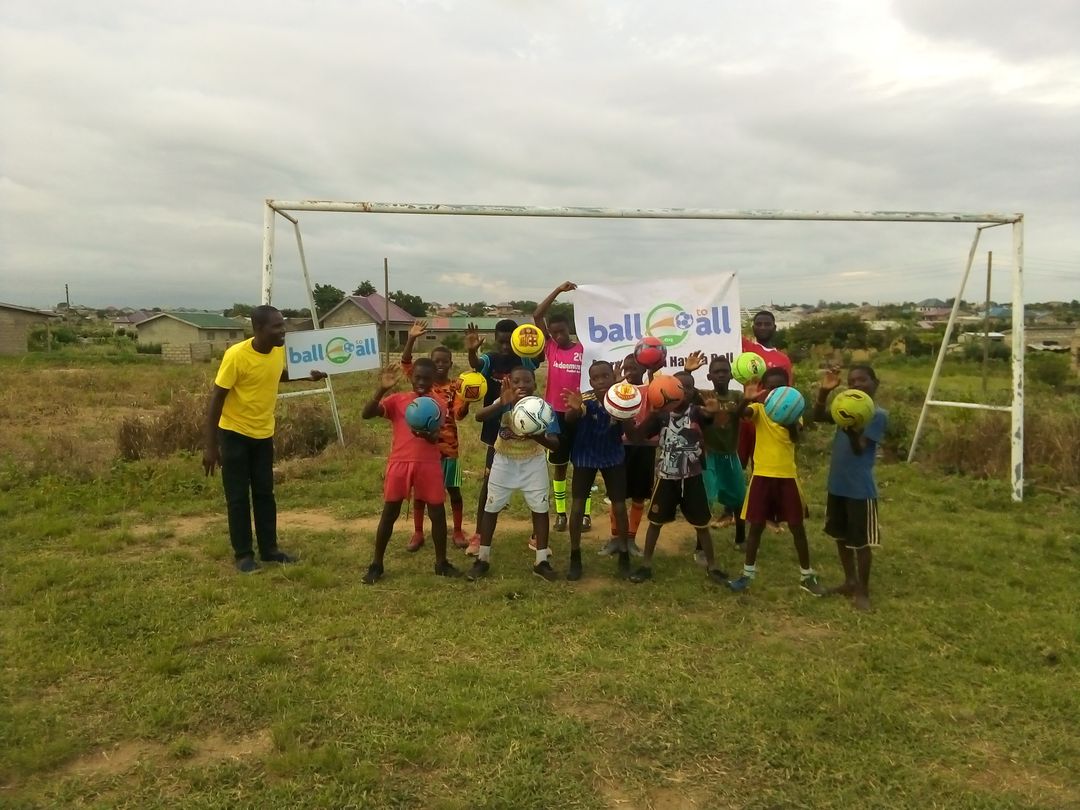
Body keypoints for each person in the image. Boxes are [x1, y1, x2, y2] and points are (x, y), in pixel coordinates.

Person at [202, 305, 327, 574]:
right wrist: (211, 446)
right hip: (234, 434)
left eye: (283, 325)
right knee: (238, 497)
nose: (283, 331)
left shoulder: (277, 350)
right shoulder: (236, 356)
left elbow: (276, 373)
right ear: (258, 329)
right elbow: (216, 398)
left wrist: (307, 376)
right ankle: (244, 555)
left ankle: (269, 550)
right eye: (277, 326)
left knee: (265, 494)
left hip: (263, 434)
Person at [359, 360, 463, 584]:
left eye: (427, 378)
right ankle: (376, 564)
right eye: (418, 377)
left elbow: (436, 437)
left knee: (437, 513)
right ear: (411, 377)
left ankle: (441, 563)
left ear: (434, 379)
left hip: (428, 463)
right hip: (400, 463)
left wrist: (426, 435)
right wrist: (381, 389)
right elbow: (366, 414)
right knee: (390, 512)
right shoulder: (397, 400)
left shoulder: (438, 404)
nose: (422, 382)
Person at [727, 367, 827, 595]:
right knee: (756, 526)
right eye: (770, 387)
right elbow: (739, 415)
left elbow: (796, 436)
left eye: (780, 387)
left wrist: (786, 417)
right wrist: (747, 399)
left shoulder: (794, 411)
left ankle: (806, 575)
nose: (774, 391)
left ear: (788, 388)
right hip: (762, 476)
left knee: (796, 526)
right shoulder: (758, 409)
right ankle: (747, 574)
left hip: (787, 476)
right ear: (763, 389)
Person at [629, 368, 730, 585]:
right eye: (680, 387)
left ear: (692, 392)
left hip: (692, 477)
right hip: (666, 477)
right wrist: (644, 414)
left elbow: (721, 425)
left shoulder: (698, 413)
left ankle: (713, 566)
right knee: (655, 522)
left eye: (688, 388)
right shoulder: (661, 415)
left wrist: (717, 412)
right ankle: (646, 565)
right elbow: (637, 436)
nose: (683, 392)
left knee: (701, 525)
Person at [466, 368, 562, 582]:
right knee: (491, 507)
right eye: (516, 381)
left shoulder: (543, 408)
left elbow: (555, 445)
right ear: (509, 383)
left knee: (540, 509)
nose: (522, 385)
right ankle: (482, 559)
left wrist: (536, 435)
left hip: (533, 462)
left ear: (535, 385)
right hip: (504, 461)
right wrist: (500, 402)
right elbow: (479, 417)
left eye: (527, 381)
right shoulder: (505, 402)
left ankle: (541, 561)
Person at [464, 319, 541, 555]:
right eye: (501, 342)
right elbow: (476, 364)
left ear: (517, 339)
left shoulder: (525, 359)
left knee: (534, 487)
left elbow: (540, 354)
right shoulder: (491, 359)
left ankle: (538, 534)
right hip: (495, 427)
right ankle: (479, 535)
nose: (506, 346)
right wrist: (472, 351)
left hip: (527, 428)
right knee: (489, 483)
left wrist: (536, 331)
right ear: (496, 340)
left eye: (510, 342)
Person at [813, 365, 887, 612]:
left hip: (860, 490)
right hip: (838, 485)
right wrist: (824, 392)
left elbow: (860, 448)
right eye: (852, 381)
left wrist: (853, 431)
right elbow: (818, 416)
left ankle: (862, 591)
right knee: (841, 536)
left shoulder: (876, 414)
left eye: (862, 380)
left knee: (861, 542)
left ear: (875, 383)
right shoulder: (844, 410)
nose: (856, 384)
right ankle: (849, 581)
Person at [400, 319, 470, 551]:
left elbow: (459, 414)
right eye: (436, 361)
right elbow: (406, 363)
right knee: (421, 494)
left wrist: (468, 401)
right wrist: (411, 338)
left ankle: (457, 531)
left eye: (444, 361)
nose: (440, 365)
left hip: (448, 448)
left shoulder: (456, 387)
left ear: (451, 364)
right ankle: (418, 532)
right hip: (423, 449)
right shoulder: (423, 383)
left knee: (454, 490)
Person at [563, 360, 630, 580]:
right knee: (577, 506)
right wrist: (574, 410)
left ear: (613, 377)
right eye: (595, 378)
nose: (600, 381)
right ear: (590, 381)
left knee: (619, 507)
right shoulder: (585, 400)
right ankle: (575, 556)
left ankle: (624, 554)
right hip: (585, 456)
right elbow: (570, 417)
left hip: (612, 455)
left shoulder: (620, 399)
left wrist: (623, 405)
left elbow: (630, 428)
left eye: (605, 376)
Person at [533, 281, 586, 534]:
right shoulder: (551, 347)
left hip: (580, 413)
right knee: (560, 466)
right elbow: (537, 315)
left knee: (583, 465)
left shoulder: (583, 349)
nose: (558, 336)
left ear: (569, 329)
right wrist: (557, 291)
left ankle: (584, 513)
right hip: (555, 415)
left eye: (562, 331)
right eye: (554, 333)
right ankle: (561, 513)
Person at [600, 354, 652, 557]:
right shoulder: (618, 390)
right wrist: (614, 383)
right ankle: (616, 537)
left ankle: (631, 538)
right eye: (626, 368)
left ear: (644, 370)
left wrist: (653, 374)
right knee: (617, 495)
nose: (629, 372)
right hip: (620, 447)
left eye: (634, 368)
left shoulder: (650, 389)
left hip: (644, 447)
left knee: (639, 494)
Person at [700, 354, 747, 554]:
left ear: (731, 375)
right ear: (709, 376)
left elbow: (743, 414)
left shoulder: (738, 396)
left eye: (724, 371)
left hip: (730, 455)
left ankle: (741, 538)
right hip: (709, 457)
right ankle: (700, 546)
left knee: (738, 498)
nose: (721, 375)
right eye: (716, 372)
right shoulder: (705, 396)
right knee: (705, 501)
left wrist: (747, 400)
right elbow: (685, 391)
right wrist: (687, 371)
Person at [738, 310, 793, 469]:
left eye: (767, 324)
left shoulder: (783, 359)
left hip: (767, 419)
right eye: (759, 324)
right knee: (737, 465)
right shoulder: (744, 347)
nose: (763, 327)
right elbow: (726, 330)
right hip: (743, 414)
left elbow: (787, 393)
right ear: (753, 327)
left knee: (761, 465)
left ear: (774, 327)